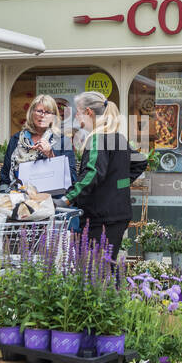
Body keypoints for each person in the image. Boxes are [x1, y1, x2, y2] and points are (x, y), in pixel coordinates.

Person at [60, 92, 145, 257]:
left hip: (100, 217)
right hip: (118, 215)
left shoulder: (97, 139)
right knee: (106, 268)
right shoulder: (118, 138)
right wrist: (118, 184)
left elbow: (92, 172)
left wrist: (68, 198)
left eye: (78, 112)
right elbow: (140, 162)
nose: (76, 117)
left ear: (89, 112)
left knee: (94, 270)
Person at [0, 95, 77, 192]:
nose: (43, 115)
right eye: (39, 111)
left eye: (48, 112)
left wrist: (51, 156)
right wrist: (4, 194)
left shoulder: (63, 141)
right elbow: (5, 176)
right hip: (19, 197)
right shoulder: (16, 139)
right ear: (31, 113)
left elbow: (72, 177)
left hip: (51, 199)